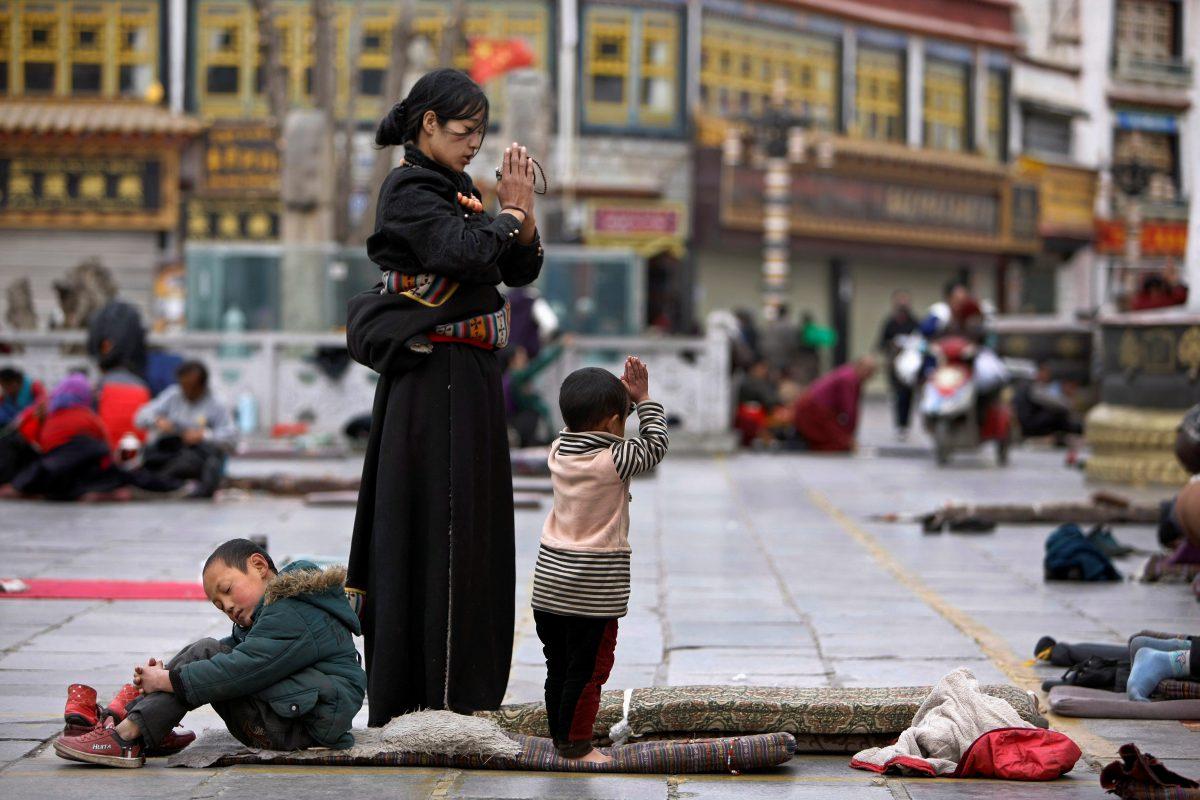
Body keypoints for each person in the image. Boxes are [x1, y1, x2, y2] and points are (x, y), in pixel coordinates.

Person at [344, 68, 543, 724]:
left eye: (479, 139)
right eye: (462, 133)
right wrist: (506, 215)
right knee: (437, 529)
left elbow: (512, 267)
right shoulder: (409, 189)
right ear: (427, 124)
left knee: (474, 530)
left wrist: (524, 219)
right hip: (436, 386)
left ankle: (465, 689)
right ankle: (427, 692)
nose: (471, 147)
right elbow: (463, 253)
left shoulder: (452, 188)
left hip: (470, 381)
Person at [53, 538, 366, 767]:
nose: (227, 606)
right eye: (218, 605)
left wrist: (168, 680)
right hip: (294, 713)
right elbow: (230, 655)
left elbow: (242, 669)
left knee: (204, 654)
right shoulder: (269, 613)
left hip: (305, 726)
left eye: (228, 590)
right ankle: (145, 725)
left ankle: (127, 736)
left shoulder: (295, 611)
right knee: (202, 651)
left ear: (258, 566)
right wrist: (166, 678)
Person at [532, 357, 668, 762]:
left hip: (549, 581)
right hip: (592, 587)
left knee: (558, 665)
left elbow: (576, 423)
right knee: (589, 671)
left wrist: (615, 405)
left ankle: (561, 734)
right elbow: (657, 445)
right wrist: (643, 400)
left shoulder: (558, 451)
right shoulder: (616, 459)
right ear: (613, 423)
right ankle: (575, 746)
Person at [135, 360, 236, 499]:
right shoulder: (173, 395)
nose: (186, 391)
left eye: (191, 387)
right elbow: (140, 416)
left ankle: (183, 486)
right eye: (183, 386)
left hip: (200, 456)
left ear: (202, 385)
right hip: (173, 450)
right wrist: (157, 420)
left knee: (197, 461)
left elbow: (231, 438)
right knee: (149, 456)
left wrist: (204, 435)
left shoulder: (217, 403)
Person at [792, 356, 878, 452]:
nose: (870, 376)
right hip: (813, 411)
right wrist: (849, 437)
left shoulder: (848, 373)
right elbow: (849, 410)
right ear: (860, 367)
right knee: (836, 443)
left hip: (815, 410)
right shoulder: (849, 379)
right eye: (869, 371)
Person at [878, 291, 919, 440]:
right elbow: (881, 343)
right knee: (898, 395)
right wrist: (892, 345)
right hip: (894, 365)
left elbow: (921, 341)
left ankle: (905, 425)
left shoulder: (914, 322)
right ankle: (899, 425)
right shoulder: (890, 323)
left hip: (910, 365)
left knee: (908, 394)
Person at [1014, 362, 1082, 442]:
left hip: (1032, 421)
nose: (1048, 376)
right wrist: (1068, 403)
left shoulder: (1039, 386)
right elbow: (1055, 402)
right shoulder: (1033, 387)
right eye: (1046, 373)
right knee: (1058, 413)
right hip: (1030, 424)